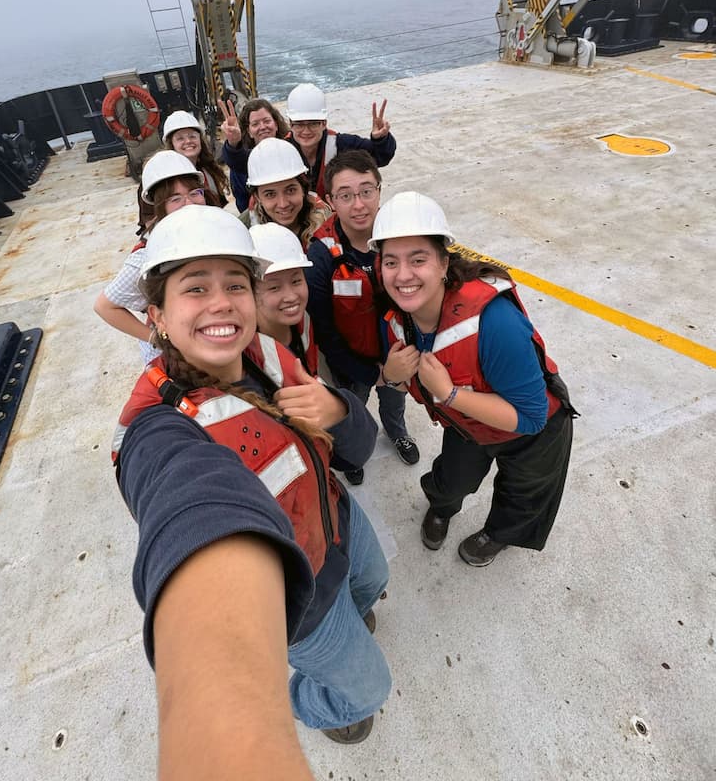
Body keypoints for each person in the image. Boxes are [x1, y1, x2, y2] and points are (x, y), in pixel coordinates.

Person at [113, 205, 392, 750]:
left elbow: (359, 448)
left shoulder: (263, 353)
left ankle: (352, 630)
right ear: (158, 317)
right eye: (195, 288)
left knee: (371, 583)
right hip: (303, 598)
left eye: (235, 285)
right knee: (368, 689)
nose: (221, 302)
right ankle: (318, 703)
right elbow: (180, 502)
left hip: (339, 520)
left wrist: (336, 408)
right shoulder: (161, 426)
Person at [375, 192, 576, 566]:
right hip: (468, 426)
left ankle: (497, 534)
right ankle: (441, 510)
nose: (403, 275)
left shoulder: (495, 323)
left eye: (418, 260)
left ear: (443, 264)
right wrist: (389, 375)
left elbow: (531, 418)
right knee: (451, 479)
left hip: (535, 434)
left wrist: (450, 395)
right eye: (391, 262)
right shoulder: (396, 321)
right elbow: (404, 384)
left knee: (523, 494)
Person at [306, 151, 419, 486]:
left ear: (380, 191)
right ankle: (354, 452)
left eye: (367, 191)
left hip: (395, 352)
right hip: (348, 360)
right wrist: (372, 373)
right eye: (346, 195)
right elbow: (325, 333)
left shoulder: (400, 236)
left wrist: (399, 365)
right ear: (330, 201)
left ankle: (397, 432)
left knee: (395, 401)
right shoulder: (321, 256)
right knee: (352, 408)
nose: (358, 205)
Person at [94, 150, 211, 363]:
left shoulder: (212, 232)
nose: (190, 204)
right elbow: (105, 306)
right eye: (176, 199)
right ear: (161, 207)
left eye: (194, 193)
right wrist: (157, 339)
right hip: (175, 361)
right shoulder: (148, 255)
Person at [285, 83, 396, 201]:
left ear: (324, 124)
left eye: (313, 123)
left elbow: (381, 157)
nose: (306, 131)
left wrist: (380, 140)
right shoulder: (281, 150)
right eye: (299, 124)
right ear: (291, 125)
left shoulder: (341, 144)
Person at [250, 222, 318, 375]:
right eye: (274, 287)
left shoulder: (303, 320)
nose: (291, 296)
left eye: (296, 281)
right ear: (251, 291)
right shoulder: (246, 355)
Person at [240, 138, 331, 248]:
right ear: (257, 197)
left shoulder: (332, 225)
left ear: (303, 190)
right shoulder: (241, 232)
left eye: (290, 190)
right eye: (270, 194)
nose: (283, 204)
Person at [218, 98, 290, 212]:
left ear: (276, 125)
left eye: (267, 121)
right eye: (255, 124)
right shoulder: (240, 167)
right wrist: (234, 142)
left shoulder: (292, 151)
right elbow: (243, 204)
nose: (262, 127)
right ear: (249, 131)